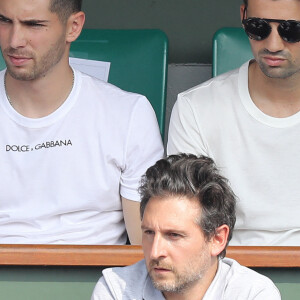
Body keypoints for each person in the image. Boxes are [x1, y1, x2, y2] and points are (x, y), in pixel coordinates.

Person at [0, 0, 163, 245]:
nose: (14, 41)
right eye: (4, 21)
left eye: (33, 25)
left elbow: (146, 248)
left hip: (99, 278)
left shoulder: (128, 114)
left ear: (73, 27)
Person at [167, 0, 300, 246]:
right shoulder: (196, 108)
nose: (273, 44)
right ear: (243, 17)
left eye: (291, 30)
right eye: (258, 27)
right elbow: (188, 221)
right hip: (228, 271)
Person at [91, 154, 281, 300]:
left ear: (217, 239)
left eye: (173, 235)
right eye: (149, 232)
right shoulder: (116, 290)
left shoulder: (252, 294)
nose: (155, 252)